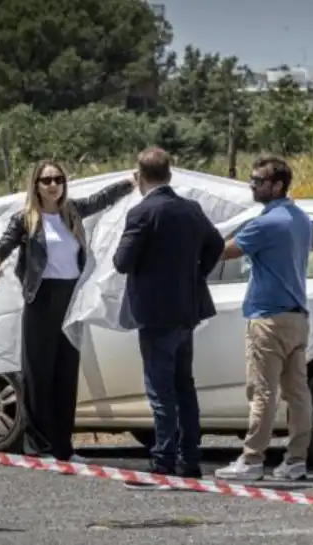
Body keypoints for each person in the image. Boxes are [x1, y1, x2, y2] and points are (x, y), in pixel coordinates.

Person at [0, 160, 134, 462]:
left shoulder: (72, 213)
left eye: (58, 179)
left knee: (66, 374)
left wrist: (131, 182)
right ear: (36, 186)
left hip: (70, 298)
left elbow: (101, 199)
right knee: (38, 374)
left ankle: (63, 447)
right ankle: (39, 447)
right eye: (46, 180)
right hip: (42, 299)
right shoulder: (25, 220)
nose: (53, 185)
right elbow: (2, 247)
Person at [112, 147, 225, 488]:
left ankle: (162, 459)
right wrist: (196, 274)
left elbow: (121, 261)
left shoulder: (142, 213)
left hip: (155, 312)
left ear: (140, 176)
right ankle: (189, 459)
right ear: (170, 173)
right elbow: (216, 244)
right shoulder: (190, 209)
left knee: (160, 390)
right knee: (184, 387)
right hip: (186, 309)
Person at [214, 155, 313, 482]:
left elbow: (226, 251)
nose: (252, 186)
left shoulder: (266, 223)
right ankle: (296, 460)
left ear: (277, 185)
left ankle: (253, 458)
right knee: (297, 393)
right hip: (297, 317)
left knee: (262, 391)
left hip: (268, 318)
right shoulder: (301, 218)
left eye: (258, 181)